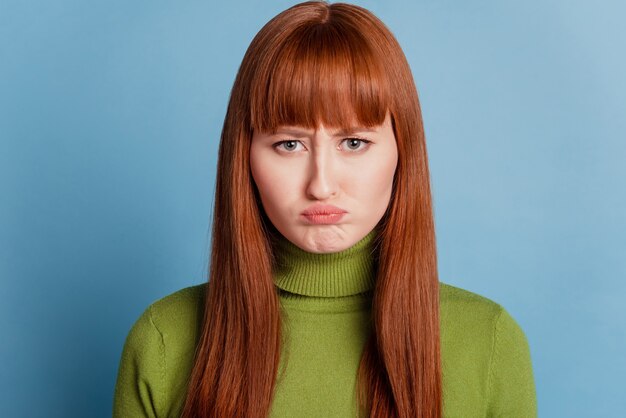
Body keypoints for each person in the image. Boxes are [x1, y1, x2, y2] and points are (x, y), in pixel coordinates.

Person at [112, 1, 537, 417]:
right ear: (245, 158)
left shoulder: (489, 343)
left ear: (402, 152)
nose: (321, 185)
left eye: (354, 143)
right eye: (289, 144)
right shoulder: (164, 340)